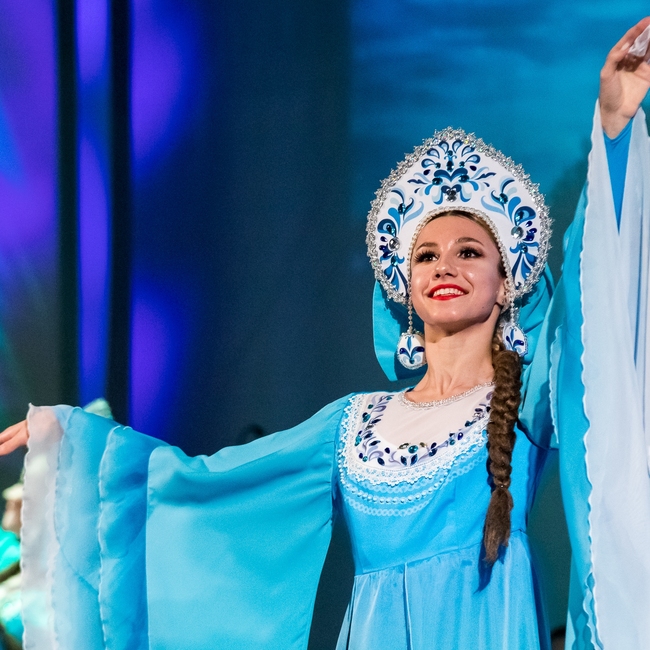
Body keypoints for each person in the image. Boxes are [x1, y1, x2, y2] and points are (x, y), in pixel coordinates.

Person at [2, 18, 650, 650]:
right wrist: (77, 440)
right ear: (404, 286)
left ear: (508, 283)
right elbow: (204, 485)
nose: (445, 266)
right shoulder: (354, 426)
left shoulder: (527, 398)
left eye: (470, 253)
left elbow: (591, 295)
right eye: (426, 255)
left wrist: (614, 129)